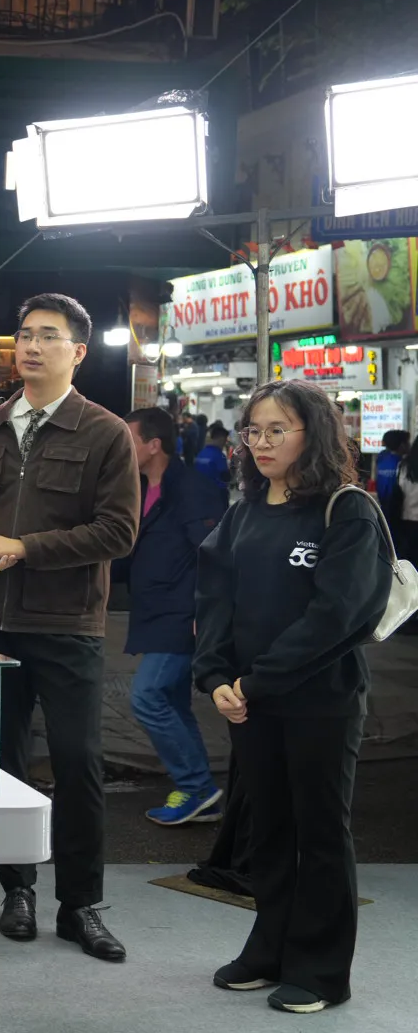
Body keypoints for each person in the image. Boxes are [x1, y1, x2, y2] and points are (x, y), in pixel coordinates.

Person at [0, 293, 140, 962]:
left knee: (79, 762)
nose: (31, 345)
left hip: (67, 622)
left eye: (48, 336)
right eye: (25, 334)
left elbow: (118, 531)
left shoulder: (105, 432)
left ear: (77, 352)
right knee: (3, 762)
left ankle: (81, 905)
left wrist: (24, 548)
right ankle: (16, 891)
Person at [193, 380, 390, 1014]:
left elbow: (337, 617)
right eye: (253, 430)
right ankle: (270, 948)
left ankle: (322, 971)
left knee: (320, 832)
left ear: (314, 433)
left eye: (277, 429)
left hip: (321, 702)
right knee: (269, 830)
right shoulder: (244, 511)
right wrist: (216, 677)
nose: (261, 442)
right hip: (249, 702)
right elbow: (215, 600)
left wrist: (256, 681)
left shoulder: (346, 510)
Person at [121, 408, 227, 825]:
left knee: (147, 697)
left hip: (182, 612)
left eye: (129, 440)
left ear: (154, 445)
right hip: (156, 609)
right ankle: (202, 797)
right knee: (172, 702)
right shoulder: (141, 487)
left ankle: (197, 785)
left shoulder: (192, 489)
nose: (122, 448)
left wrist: (208, 610)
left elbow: (214, 554)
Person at [374, 429, 407, 511]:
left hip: (382, 505)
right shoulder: (402, 461)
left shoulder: (381, 456)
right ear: (402, 445)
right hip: (397, 508)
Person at [194, 421, 232, 489]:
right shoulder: (220, 456)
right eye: (224, 440)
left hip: (199, 489)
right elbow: (225, 477)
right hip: (216, 491)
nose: (224, 443)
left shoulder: (200, 453)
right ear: (221, 439)